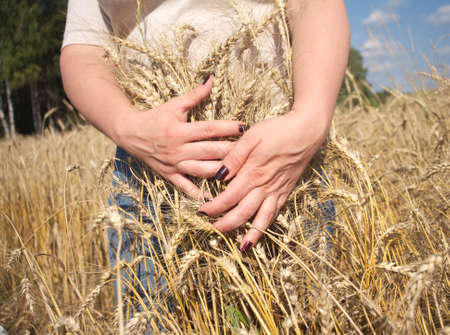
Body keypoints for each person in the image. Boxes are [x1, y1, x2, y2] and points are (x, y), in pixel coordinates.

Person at [61, 0, 350, 325]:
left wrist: (309, 120)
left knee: (303, 323)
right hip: (150, 185)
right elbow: (85, 50)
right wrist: (128, 126)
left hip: (284, 169)